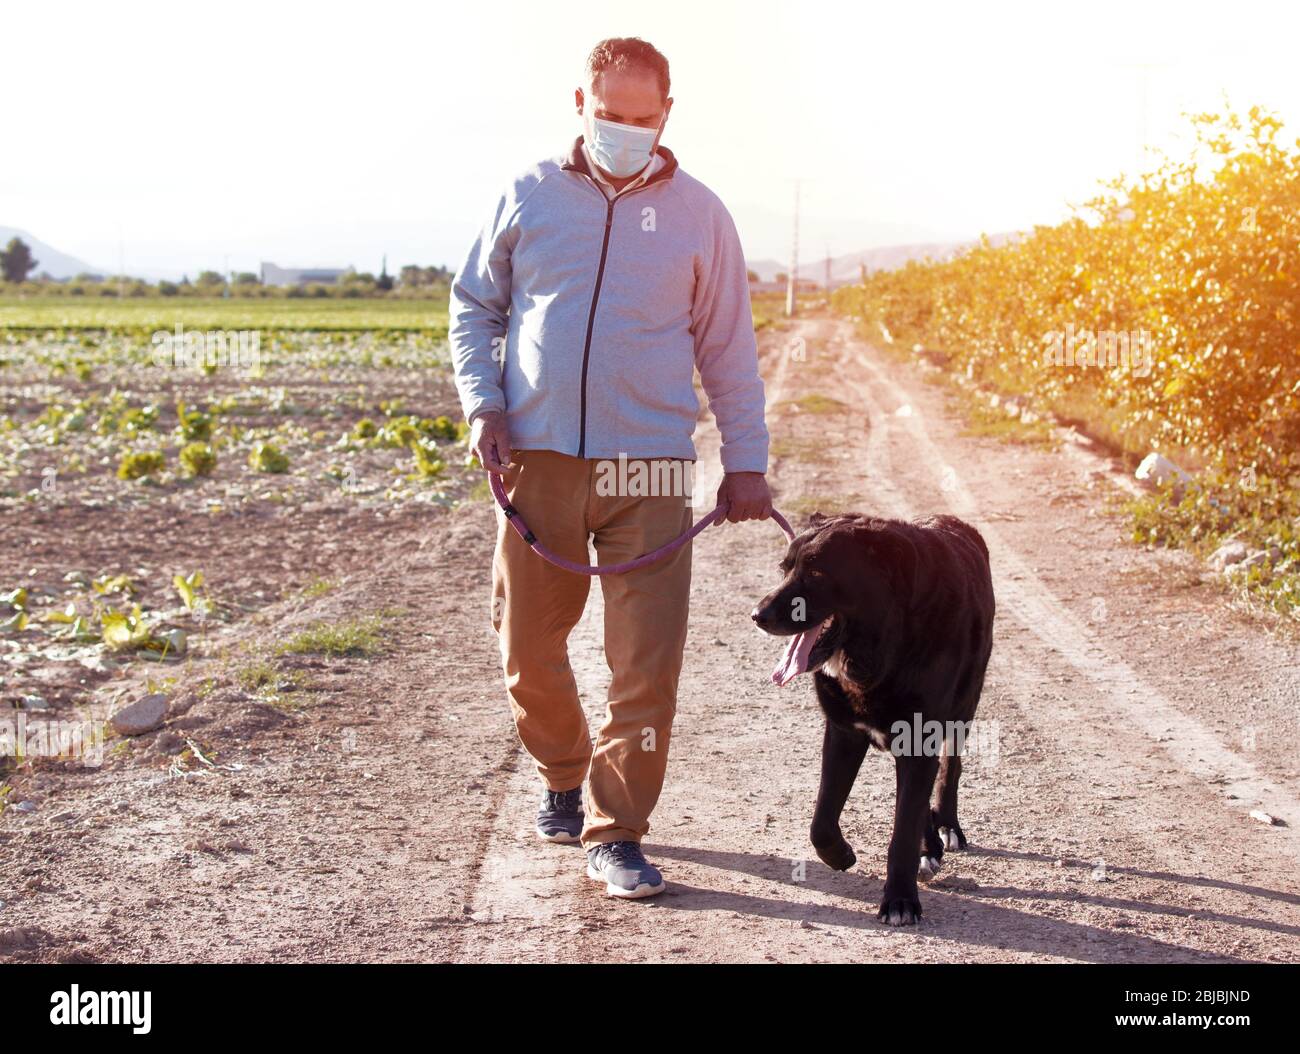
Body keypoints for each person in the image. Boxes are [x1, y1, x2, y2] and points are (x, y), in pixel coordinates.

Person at [449, 36, 770, 899]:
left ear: (666, 112)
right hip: (538, 456)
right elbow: (474, 305)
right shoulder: (528, 194)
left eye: (641, 117)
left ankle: (616, 829)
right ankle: (563, 769)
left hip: (654, 467)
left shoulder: (701, 214)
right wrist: (485, 403)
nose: (624, 130)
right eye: (609, 115)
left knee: (646, 663)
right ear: (580, 104)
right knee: (526, 646)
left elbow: (729, 348)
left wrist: (747, 464)